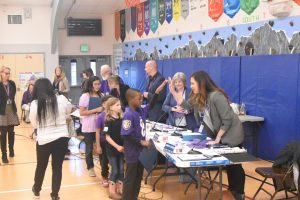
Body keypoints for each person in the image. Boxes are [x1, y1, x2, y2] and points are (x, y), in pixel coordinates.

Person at [169, 70, 245, 200]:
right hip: (222, 134)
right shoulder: (199, 96)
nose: (191, 86)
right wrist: (174, 93)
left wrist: (217, 139)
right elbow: (186, 105)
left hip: (233, 134)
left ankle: (239, 193)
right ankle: (233, 190)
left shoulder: (216, 96)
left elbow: (227, 119)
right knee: (229, 165)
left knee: (235, 165)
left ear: (201, 83)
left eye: (193, 83)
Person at [29, 78, 72, 200]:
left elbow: (34, 124)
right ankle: (54, 195)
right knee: (57, 167)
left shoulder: (35, 104)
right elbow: (68, 111)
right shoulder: (62, 99)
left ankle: (36, 190)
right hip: (62, 138)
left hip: (44, 139)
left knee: (41, 166)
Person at [121, 89, 151, 200]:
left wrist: (156, 93)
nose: (141, 100)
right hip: (132, 152)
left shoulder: (140, 110)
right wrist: (141, 142)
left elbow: (151, 105)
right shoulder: (129, 114)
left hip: (141, 152)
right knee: (130, 179)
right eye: (139, 98)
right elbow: (125, 135)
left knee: (138, 178)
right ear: (131, 99)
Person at [79, 76, 104, 177]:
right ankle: (90, 167)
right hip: (89, 126)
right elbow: (82, 112)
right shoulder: (85, 96)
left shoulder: (101, 95)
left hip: (100, 126)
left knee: (101, 147)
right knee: (89, 149)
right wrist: (96, 110)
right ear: (91, 85)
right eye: (95, 84)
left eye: (99, 84)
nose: (97, 86)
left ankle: (104, 168)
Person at [103, 97, 124, 200]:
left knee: (121, 170)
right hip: (112, 150)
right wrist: (117, 146)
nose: (120, 107)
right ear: (111, 107)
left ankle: (120, 189)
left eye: (120, 105)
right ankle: (112, 192)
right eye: (117, 105)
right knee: (115, 170)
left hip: (121, 149)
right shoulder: (108, 120)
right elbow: (107, 137)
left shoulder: (122, 119)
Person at [0, 66, 19, 164]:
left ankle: (11, 150)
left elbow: (13, 94)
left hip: (11, 109)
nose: (8, 75)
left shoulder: (12, 84)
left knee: (11, 132)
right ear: (1, 73)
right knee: (3, 134)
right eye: (6, 73)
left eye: (9, 73)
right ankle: (4, 154)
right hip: (2, 111)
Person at [95, 95, 113, 188]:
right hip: (104, 142)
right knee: (104, 161)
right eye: (108, 103)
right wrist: (98, 146)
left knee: (114, 160)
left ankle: (114, 177)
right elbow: (97, 132)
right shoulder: (100, 116)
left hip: (113, 142)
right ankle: (104, 176)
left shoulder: (116, 115)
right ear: (104, 104)